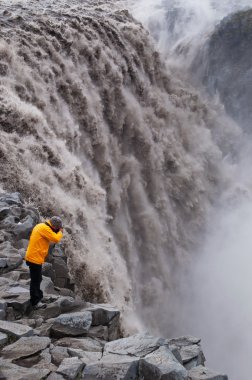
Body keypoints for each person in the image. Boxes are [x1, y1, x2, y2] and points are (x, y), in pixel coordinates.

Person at [25, 216, 63, 309]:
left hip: (33, 256)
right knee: (35, 281)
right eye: (57, 228)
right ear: (54, 226)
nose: (57, 230)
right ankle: (35, 302)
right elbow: (56, 239)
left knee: (38, 279)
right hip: (34, 258)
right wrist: (61, 232)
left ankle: (39, 297)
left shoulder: (41, 225)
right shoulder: (45, 228)